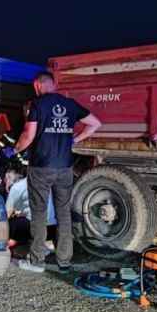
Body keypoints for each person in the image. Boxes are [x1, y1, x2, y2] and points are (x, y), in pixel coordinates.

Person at [14, 71, 102, 273]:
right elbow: (95, 123)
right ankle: (64, 261)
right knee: (63, 213)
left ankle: (37, 261)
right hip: (64, 168)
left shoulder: (37, 105)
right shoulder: (70, 104)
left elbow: (28, 135)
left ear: (38, 85)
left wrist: (15, 149)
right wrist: (75, 139)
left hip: (41, 167)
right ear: (53, 84)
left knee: (39, 213)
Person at [4, 169, 56, 252]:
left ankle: (11, 243)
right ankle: (48, 243)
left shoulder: (17, 187)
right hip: (54, 227)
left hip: (37, 227)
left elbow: (6, 214)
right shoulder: (49, 183)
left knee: (11, 223)